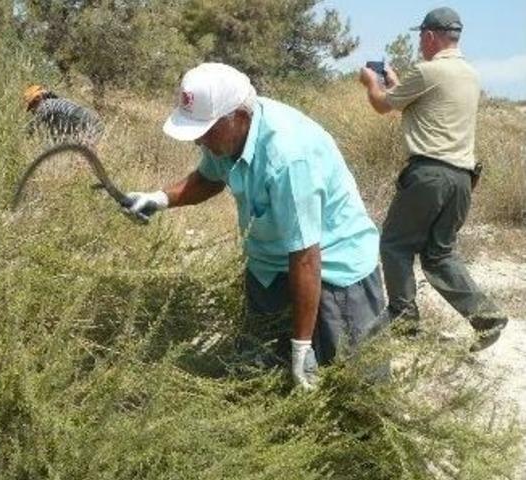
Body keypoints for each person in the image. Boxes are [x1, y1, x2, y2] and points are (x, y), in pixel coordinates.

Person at [127, 63, 385, 389]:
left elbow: (306, 256)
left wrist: (301, 347)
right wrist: (159, 199)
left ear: (239, 116)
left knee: (355, 386)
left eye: (205, 131)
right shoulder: (226, 138)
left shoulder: (290, 157)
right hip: (268, 267)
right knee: (256, 378)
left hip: (334, 272)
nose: (199, 141)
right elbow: (209, 178)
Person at [358, 7, 507, 352]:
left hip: (429, 175)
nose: (420, 45)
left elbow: (382, 106)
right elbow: (422, 105)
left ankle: (403, 318)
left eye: (420, 39)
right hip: (462, 179)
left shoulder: (428, 71)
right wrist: (396, 83)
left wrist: (371, 83)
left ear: (429, 36)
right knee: (440, 255)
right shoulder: (470, 74)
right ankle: (485, 316)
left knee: (395, 245)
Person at [22, 84, 104, 147]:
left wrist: (22, 136)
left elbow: (34, 123)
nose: (33, 111)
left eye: (32, 106)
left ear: (38, 99)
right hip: (93, 122)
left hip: (87, 124)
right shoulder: (57, 103)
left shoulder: (46, 105)